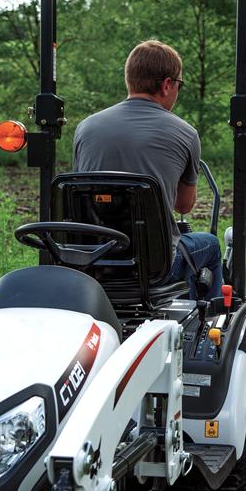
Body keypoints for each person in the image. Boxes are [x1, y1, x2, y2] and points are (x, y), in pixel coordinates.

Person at [73, 39, 223, 300]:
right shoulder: (186, 134)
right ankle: (207, 329)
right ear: (167, 85)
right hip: (155, 268)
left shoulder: (85, 128)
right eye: (179, 84)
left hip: (92, 261)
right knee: (209, 245)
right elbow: (184, 206)